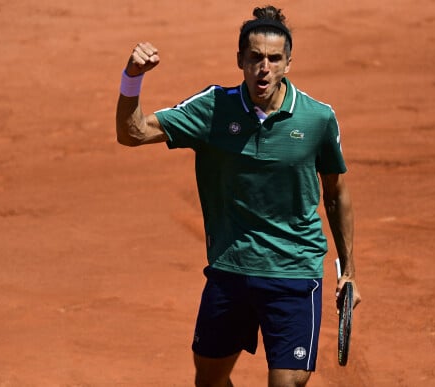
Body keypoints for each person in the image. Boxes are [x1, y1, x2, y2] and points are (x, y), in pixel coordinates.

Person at [116, 5, 361, 387]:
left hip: (294, 272)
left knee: (287, 383)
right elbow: (132, 133)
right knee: (209, 381)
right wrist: (132, 77)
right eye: (255, 57)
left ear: (288, 63)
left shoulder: (317, 118)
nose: (264, 67)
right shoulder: (213, 109)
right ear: (240, 60)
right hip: (231, 269)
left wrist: (348, 271)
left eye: (274, 59)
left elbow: (336, 192)